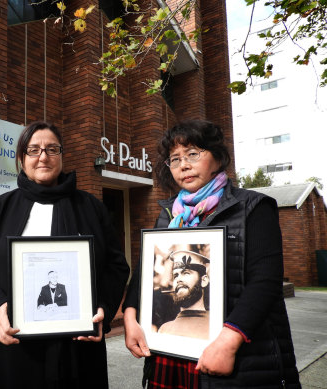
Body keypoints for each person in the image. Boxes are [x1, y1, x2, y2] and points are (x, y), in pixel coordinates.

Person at [123, 120, 301, 388]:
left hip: (234, 355)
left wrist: (228, 343)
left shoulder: (253, 207)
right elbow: (143, 275)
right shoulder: (170, 214)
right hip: (170, 356)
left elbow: (265, 283)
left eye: (193, 154)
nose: (183, 165)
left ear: (217, 157)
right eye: (174, 159)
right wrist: (130, 316)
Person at [0, 121, 129, 389]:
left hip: (78, 349)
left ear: (62, 156)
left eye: (52, 149)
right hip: (15, 350)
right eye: (34, 149)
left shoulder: (92, 208)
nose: (43, 156)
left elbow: (116, 267)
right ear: (21, 158)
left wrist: (103, 309)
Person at [157, 246, 210, 339]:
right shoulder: (164, 330)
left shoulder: (217, 325)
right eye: (175, 275)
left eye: (186, 273)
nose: (178, 279)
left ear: (204, 280)